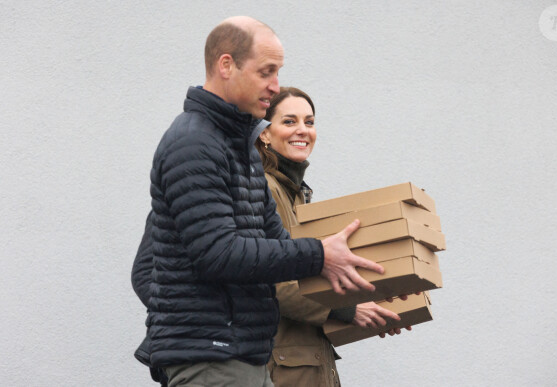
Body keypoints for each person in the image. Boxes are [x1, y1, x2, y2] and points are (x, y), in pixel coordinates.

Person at [134, 16, 388, 387]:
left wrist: (369, 282)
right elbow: (217, 253)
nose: (275, 85)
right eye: (266, 72)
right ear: (226, 65)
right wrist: (319, 254)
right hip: (213, 358)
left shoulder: (239, 149)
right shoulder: (193, 144)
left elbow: (278, 247)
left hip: (243, 355)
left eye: (278, 72)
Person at [256, 87, 407, 387]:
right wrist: (349, 310)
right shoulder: (266, 189)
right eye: (289, 121)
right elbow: (271, 282)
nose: (302, 130)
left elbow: (311, 278)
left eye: (309, 122)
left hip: (307, 362)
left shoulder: (295, 193)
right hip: (285, 367)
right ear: (265, 134)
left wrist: (374, 305)